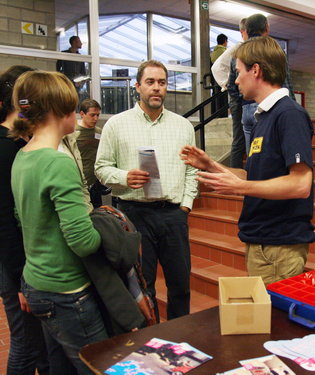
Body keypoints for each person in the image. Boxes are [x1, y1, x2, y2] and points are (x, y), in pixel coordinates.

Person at [180, 36, 315, 285]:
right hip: (263, 243)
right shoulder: (264, 117)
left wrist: (241, 188)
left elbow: (300, 184)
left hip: (279, 247)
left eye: (239, 71)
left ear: (256, 70)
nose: (236, 79)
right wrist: (212, 165)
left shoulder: (289, 115)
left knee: (275, 323)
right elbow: (255, 179)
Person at [10, 70, 108, 374]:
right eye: (72, 106)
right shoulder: (58, 161)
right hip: (66, 289)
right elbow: (82, 240)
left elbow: (23, 218)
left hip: (37, 280)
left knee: (60, 365)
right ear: (59, 111)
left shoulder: (23, 156)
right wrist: (110, 234)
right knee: (99, 363)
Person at [95, 60, 198, 321]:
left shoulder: (183, 126)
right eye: (150, 82)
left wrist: (186, 204)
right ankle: (149, 341)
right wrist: (124, 177)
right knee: (143, 287)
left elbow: (192, 170)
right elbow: (101, 167)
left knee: (180, 285)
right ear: (138, 86)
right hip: (134, 214)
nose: (156, 88)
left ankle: (180, 336)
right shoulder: (116, 125)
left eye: (162, 83)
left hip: (174, 215)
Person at [0, 65, 49, 375]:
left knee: (39, 344)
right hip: (16, 265)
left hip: (20, 263)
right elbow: (6, 221)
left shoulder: (18, 141)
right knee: (26, 343)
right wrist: (21, 280)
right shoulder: (8, 148)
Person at [235, 13, 295, 151]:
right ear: (266, 28)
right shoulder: (274, 52)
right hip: (266, 108)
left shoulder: (241, 52)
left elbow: (301, 173)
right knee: (259, 160)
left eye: (239, 73)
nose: (237, 80)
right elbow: (286, 80)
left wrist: (240, 108)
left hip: (248, 109)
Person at [212, 19, 248, 168]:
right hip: (239, 99)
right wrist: (227, 86)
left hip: (247, 100)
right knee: (239, 139)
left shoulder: (249, 47)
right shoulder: (238, 48)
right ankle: (236, 176)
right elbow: (217, 67)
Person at [75, 98, 109, 208]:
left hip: (94, 183)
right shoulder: (72, 132)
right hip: (78, 182)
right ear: (82, 114)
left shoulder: (99, 132)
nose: (95, 119)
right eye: (92, 115)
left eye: (98, 115)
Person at [210, 34, 229, 118]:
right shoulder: (224, 52)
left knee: (215, 97)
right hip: (223, 79)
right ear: (225, 41)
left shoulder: (213, 53)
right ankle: (223, 115)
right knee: (223, 97)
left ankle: (215, 114)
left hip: (214, 79)